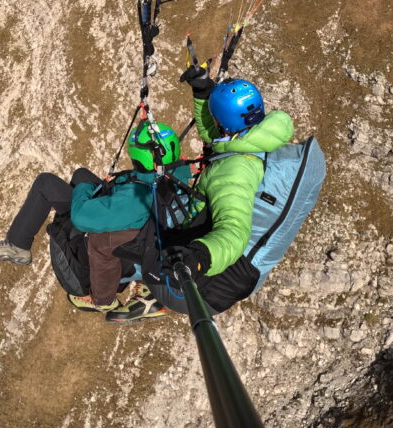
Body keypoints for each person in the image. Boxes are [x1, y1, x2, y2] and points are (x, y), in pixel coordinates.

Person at [105, 67, 294, 322]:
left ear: (225, 123)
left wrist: (199, 257)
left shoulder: (235, 173)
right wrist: (203, 91)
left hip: (198, 288)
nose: (213, 125)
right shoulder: (252, 138)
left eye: (216, 118)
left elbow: (235, 232)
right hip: (199, 239)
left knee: (119, 236)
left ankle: (127, 293)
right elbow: (215, 136)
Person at [0, 121, 189, 315]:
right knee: (81, 174)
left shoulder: (137, 197)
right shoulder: (178, 174)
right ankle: (17, 243)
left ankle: (17, 246)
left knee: (48, 184)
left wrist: (85, 190)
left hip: (118, 250)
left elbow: (81, 217)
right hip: (139, 229)